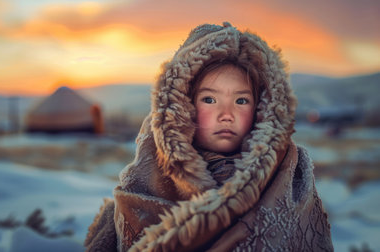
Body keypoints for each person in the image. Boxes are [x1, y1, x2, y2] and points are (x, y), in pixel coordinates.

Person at [84, 22, 333, 251]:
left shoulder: (290, 180)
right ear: (182, 105)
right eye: (209, 99)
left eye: (241, 100)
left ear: (262, 107)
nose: (226, 114)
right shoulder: (144, 181)